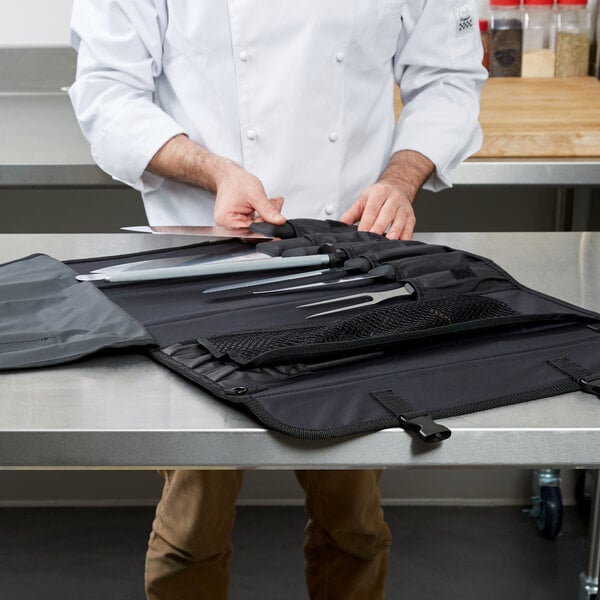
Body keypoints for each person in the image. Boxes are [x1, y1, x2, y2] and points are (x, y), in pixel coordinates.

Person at [69, 2, 486, 598]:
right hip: (202, 262)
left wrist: (399, 180)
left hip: (347, 260)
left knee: (354, 523)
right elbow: (108, 92)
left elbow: (448, 77)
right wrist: (215, 171)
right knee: (193, 524)